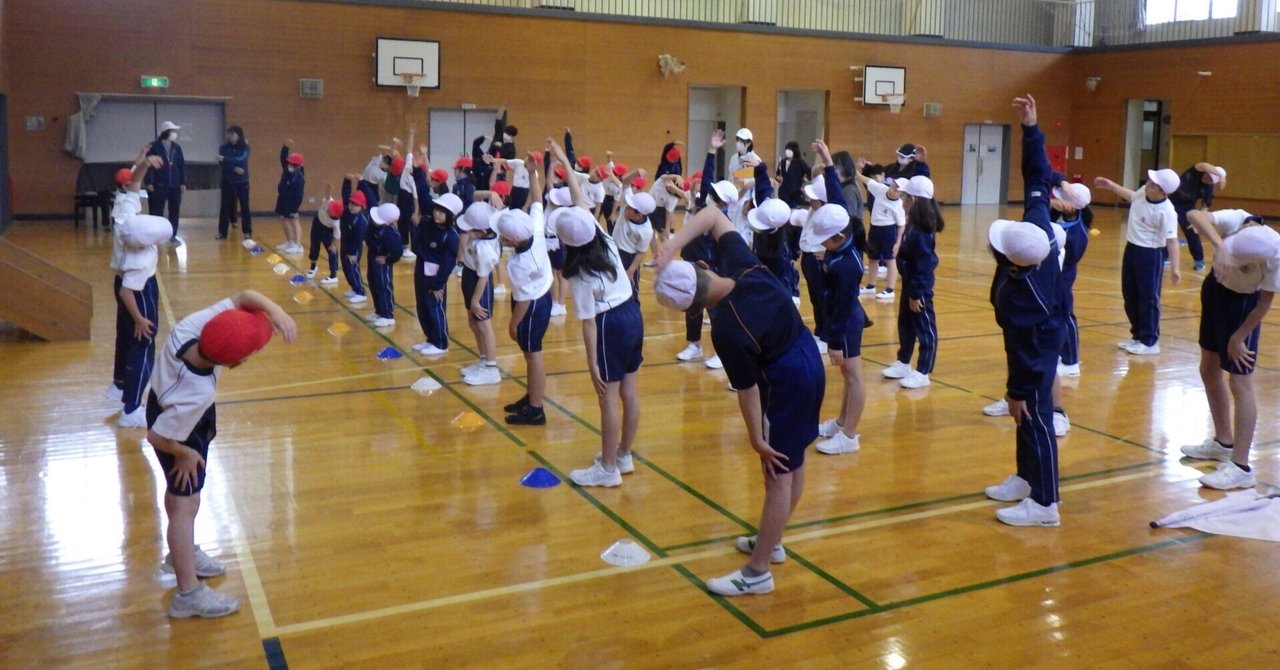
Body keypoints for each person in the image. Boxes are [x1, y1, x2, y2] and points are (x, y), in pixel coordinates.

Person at [652, 205, 824, 596]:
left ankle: (758, 570)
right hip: (809, 359)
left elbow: (747, 391)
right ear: (704, 268)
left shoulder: (726, 330)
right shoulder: (745, 265)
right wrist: (670, 247)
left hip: (786, 381)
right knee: (794, 460)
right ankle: (772, 539)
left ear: (693, 309)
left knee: (777, 472)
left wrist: (756, 439)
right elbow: (712, 215)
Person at [147, 291, 295, 618]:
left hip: (167, 409)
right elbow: (155, 435)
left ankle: (180, 554)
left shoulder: (192, 328)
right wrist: (183, 452)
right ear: (235, 363)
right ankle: (187, 593)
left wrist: (276, 309)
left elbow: (243, 296)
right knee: (186, 503)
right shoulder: (196, 393)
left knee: (181, 497)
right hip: (176, 430)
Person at [982, 94, 1065, 527]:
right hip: (1034, 339)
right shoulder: (1038, 228)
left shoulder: (1021, 301)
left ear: (1012, 263)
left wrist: (1015, 391)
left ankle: (1046, 503)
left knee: (1034, 413)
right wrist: (1031, 127)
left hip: (1035, 348)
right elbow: (1037, 175)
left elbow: (1026, 358)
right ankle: (1027, 477)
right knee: (1027, 414)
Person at [548, 137, 643, 487]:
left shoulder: (578, 274)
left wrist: (591, 364)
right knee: (629, 392)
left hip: (609, 325)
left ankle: (606, 470)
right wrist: (561, 156)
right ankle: (623, 456)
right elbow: (579, 198)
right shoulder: (600, 235)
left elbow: (589, 324)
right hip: (632, 312)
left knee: (608, 397)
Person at [1179, 210, 1278, 490]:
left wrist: (1239, 337)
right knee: (1208, 368)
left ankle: (1241, 466)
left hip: (1244, 305)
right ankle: (1223, 441)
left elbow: (1264, 304)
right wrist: (1220, 246)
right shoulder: (1235, 220)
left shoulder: (1276, 255)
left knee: (1240, 381)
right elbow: (1193, 214)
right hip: (1215, 290)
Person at [804, 140, 865, 455]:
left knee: (853, 375)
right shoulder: (844, 228)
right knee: (847, 374)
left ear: (837, 237)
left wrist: (836, 341)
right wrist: (828, 160)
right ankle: (842, 422)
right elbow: (837, 195)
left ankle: (850, 435)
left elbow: (841, 308)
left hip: (847, 321)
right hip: (841, 318)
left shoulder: (844, 266)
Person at [106, 146, 166, 428]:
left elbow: (134, 181)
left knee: (123, 337)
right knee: (142, 345)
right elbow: (126, 291)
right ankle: (131, 409)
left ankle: (118, 386)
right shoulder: (140, 257)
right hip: (136, 292)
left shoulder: (123, 209)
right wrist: (141, 319)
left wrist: (144, 162)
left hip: (121, 280)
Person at [1094, 168, 1182, 355]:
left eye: (1153, 185)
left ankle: (1150, 341)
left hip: (1150, 255)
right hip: (1132, 248)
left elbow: (1172, 241)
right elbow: (1132, 196)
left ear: (1162, 192)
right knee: (1130, 295)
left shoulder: (1167, 212)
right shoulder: (1144, 191)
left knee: (1148, 298)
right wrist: (1111, 186)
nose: (1148, 184)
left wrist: (1176, 268)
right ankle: (1138, 336)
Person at [494, 158, 552, 425]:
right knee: (531, 355)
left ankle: (536, 408)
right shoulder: (536, 231)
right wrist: (532, 173)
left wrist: (513, 324)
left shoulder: (518, 264)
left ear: (513, 240)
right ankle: (532, 396)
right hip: (543, 298)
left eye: (502, 236)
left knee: (533, 355)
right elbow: (538, 200)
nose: (500, 239)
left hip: (532, 306)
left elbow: (523, 300)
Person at [879, 176, 942, 390]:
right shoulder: (914, 223)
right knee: (905, 325)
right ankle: (904, 361)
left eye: (905, 196)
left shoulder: (922, 231)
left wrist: (916, 294)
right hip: (909, 284)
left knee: (925, 328)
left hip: (919, 288)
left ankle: (923, 371)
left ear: (913, 200)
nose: (902, 198)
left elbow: (924, 266)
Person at [409, 149, 462, 357]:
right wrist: (418, 168)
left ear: (450, 216)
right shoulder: (430, 216)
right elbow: (423, 190)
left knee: (434, 306)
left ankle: (441, 342)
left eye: (442, 212)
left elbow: (448, 263)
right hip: (421, 267)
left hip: (435, 275)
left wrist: (439, 284)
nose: (437, 213)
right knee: (421, 305)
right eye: (437, 210)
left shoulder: (451, 237)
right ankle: (430, 338)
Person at [1050, 181, 1093, 377]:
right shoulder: (1059, 216)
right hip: (1050, 275)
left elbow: (1067, 258)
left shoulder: (1077, 233)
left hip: (1062, 277)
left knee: (1065, 315)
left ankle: (1071, 361)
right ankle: (1057, 350)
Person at [457, 201, 502, 386]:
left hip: (479, 282)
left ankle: (492, 368)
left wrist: (476, 301)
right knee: (473, 321)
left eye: (470, 230)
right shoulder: (481, 236)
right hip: (470, 274)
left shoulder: (485, 249)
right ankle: (483, 360)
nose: (466, 232)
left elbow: (483, 278)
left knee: (484, 324)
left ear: (482, 232)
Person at [853, 159, 906, 299]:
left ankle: (890, 289)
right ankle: (870, 286)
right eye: (893, 185)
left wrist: (898, 242)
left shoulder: (899, 206)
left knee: (890, 259)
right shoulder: (880, 189)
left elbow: (901, 225)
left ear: (900, 193)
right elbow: (864, 179)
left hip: (888, 231)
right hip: (874, 228)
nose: (892, 188)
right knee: (873, 258)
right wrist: (855, 170)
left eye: (896, 188)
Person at [1169, 162, 1228, 271]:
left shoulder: (1208, 190)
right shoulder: (1195, 172)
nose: (1208, 178)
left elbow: (1204, 209)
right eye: (1209, 175)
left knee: (1192, 232)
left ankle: (1198, 260)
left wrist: (1198, 224)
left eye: (1211, 179)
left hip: (1187, 207)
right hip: (1170, 202)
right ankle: (1165, 255)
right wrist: (1221, 175)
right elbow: (1203, 165)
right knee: (1166, 230)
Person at [145, 121, 185, 245]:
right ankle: (156, 236)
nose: (174, 134)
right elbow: (148, 166)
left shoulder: (176, 147)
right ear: (166, 132)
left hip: (175, 184)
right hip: (158, 183)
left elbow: (181, 166)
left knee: (174, 210)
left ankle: (172, 235)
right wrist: (149, 182)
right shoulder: (153, 146)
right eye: (172, 131)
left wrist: (183, 182)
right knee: (156, 210)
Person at [365, 203, 403, 329]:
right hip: (373, 259)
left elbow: (398, 252)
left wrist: (387, 259)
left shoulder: (390, 234)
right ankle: (379, 311)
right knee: (373, 284)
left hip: (382, 264)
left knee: (383, 286)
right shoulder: (373, 226)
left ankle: (387, 315)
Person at [216, 126, 252, 241]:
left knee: (245, 206)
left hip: (242, 182)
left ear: (238, 135)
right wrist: (234, 169)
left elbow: (241, 159)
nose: (230, 136)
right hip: (228, 181)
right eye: (229, 134)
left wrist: (224, 158)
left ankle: (247, 232)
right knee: (225, 207)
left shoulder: (245, 147)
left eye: (232, 134)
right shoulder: (223, 147)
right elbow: (222, 164)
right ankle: (222, 232)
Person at [339, 176, 370, 306]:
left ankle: (360, 292)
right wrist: (347, 181)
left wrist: (352, 253)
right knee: (346, 268)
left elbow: (358, 240)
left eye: (355, 205)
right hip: (345, 244)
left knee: (353, 269)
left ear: (361, 207)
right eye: (351, 203)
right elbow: (345, 194)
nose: (352, 206)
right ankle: (353, 287)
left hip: (353, 248)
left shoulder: (361, 222)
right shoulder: (347, 210)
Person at [306, 185, 342, 286]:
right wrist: (328, 189)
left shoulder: (337, 223)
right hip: (317, 223)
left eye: (330, 211)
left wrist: (333, 245)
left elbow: (337, 236)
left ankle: (333, 275)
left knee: (332, 252)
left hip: (327, 231)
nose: (327, 210)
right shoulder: (329, 202)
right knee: (314, 246)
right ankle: (313, 267)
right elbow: (327, 194)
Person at [274, 141, 306, 255]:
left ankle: (298, 245)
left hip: (292, 202)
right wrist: (285, 147)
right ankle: (289, 242)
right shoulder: (287, 170)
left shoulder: (299, 179)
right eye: (290, 163)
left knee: (294, 220)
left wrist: (294, 209)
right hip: (283, 199)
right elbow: (283, 158)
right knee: (283, 219)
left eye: (293, 164)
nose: (290, 165)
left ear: (298, 166)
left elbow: (299, 196)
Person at [775, 141, 810, 208]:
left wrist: (803, 181)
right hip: (783, 192)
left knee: (793, 210)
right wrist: (778, 178)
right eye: (786, 150)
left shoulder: (800, 163)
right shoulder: (782, 162)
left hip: (795, 192)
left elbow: (809, 173)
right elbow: (777, 174)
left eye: (789, 150)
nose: (787, 152)